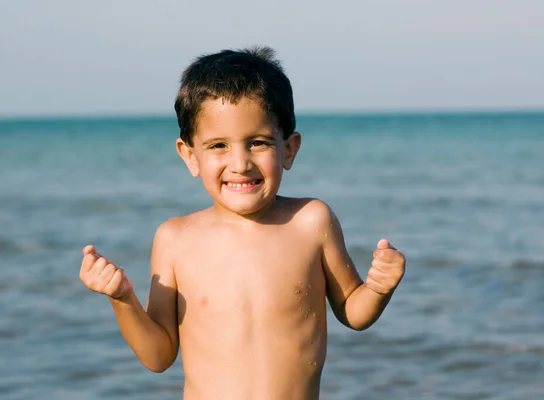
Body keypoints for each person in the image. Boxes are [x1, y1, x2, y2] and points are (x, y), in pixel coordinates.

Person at [79, 46, 406, 400]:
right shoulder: (175, 239)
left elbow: (353, 313)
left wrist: (377, 289)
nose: (240, 163)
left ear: (289, 149)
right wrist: (123, 298)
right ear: (190, 155)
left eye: (258, 143)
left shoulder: (310, 221)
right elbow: (158, 357)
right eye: (218, 145)